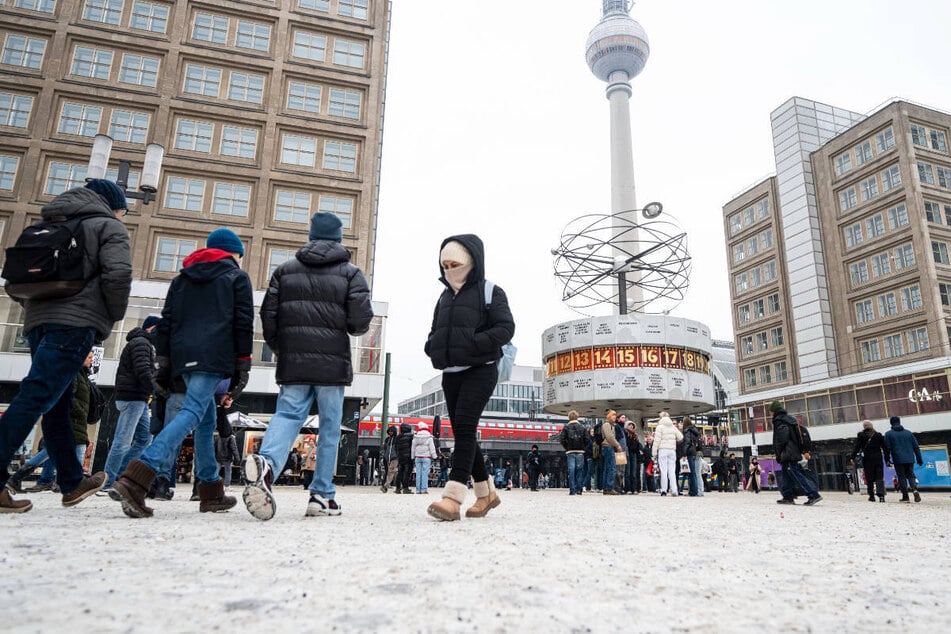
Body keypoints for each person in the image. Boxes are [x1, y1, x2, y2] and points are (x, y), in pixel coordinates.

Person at [0, 179, 131, 513]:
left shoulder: (47, 225)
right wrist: (109, 317)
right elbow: (118, 275)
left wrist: (38, 306)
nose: (122, 217)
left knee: (56, 401)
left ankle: (72, 483)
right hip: (76, 323)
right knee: (37, 395)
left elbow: (14, 280)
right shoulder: (108, 227)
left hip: (37, 323)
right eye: (122, 210)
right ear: (110, 205)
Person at [111, 228, 253, 518]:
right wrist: (243, 363)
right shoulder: (236, 277)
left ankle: (210, 490)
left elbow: (167, 321)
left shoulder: (182, 278)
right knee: (192, 412)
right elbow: (243, 321)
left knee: (205, 420)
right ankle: (137, 477)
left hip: (182, 357)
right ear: (234, 252)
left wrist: (164, 361)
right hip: (213, 355)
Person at [242, 212, 373, 520]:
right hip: (332, 364)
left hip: (294, 360)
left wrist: (283, 349)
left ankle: (268, 464)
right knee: (329, 428)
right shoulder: (351, 274)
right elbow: (359, 323)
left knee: (287, 414)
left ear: (311, 236)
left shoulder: (284, 271)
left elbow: (268, 318)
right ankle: (322, 495)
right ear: (340, 238)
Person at [423, 235, 515, 521]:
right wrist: (432, 346)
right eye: (445, 264)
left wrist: (474, 344)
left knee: (463, 428)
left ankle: (453, 498)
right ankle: (487, 495)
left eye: (455, 263)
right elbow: (435, 329)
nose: (449, 269)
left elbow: (505, 328)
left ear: (471, 262)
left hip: (481, 369)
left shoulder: (490, 291)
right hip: (451, 373)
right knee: (465, 431)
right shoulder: (444, 296)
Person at [6, 351, 96, 494]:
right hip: (71, 419)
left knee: (56, 450)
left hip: (76, 420)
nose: (91, 360)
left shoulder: (82, 374)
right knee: (73, 449)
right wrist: (79, 411)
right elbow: (69, 396)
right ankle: (74, 485)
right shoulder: (74, 374)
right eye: (89, 357)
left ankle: (18, 477)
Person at [101, 315, 158, 493]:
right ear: (151, 328)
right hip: (132, 397)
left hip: (138, 397)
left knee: (144, 438)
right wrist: (157, 389)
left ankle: (120, 474)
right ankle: (108, 481)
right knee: (122, 441)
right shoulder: (141, 343)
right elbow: (143, 370)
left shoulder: (145, 343)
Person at [770, 401, 822, 505]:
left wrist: (778, 452)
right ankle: (788, 496)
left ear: (774, 411)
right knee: (786, 474)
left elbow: (782, 438)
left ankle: (813, 494)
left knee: (795, 473)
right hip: (793, 450)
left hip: (788, 452)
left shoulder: (780, 421)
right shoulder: (790, 419)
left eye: (771, 411)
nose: (770, 413)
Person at [884, 416, 923, 503]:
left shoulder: (888, 434)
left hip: (898, 459)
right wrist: (919, 458)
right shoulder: (908, 433)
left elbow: (887, 448)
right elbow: (916, 446)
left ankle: (905, 496)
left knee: (901, 477)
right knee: (910, 475)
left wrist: (887, 459)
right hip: (910, 458)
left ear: (891, 423)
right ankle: (914, 489)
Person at [853, 420, 890, 502]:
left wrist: (853, 457)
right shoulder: (878, 435)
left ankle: (872, 496)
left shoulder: (861, 435)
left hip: (867, 459)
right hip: (878, 458)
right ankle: (881, 496)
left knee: (869, 477)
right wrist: (887, 459)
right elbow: (885, 448)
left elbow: (857, 447)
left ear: (864, 427)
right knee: (879, 477)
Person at [652, 412, 683, 496]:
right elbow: (680, 437)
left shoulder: (660, 427)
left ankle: (664, 490)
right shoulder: (672, 426)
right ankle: (674, 490)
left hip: (663, 450)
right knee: (672, 471)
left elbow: (657, 441)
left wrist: (654, 452)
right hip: (672, 450)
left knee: (663, 470)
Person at [559, 410, 586, 495]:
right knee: (580, 471)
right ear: (577, 417)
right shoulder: (582, 427)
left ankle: (572, 490)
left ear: (569, 417)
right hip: (580, 451)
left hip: (570, 451)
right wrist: (583, 447)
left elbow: (561, 439)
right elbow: (587, 439)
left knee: (571, 471)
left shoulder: (566, 427)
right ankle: (579, 489)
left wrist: (566, 447)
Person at [412, 422, 438, 494]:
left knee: (418, 474)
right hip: (426, 457)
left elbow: (413, 448)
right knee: (424, 474)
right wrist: (435, 456)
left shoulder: (416, 437)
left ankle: (418, 490)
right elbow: (432, 448)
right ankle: (423, 490)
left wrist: (412, 456)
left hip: (418, 457)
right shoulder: (429, 438)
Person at [600, 411, 622, 495]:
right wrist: (617, 445)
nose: (614, 417)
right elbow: (609, 437)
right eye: (613, 415)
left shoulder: (612, 425)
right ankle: (609, 487)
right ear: (609, 417)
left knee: (607, 468)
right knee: (611, 468)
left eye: (615, 415)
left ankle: (606, 488)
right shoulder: (606, 425)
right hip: (608, 447)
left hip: (608, 447)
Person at [681, 417, 702, 496]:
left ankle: (693, 491)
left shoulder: (687, 431)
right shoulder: (694, 430)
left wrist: (684, 453)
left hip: (689, 452)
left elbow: (687, 442)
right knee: (693, 473)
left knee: (691, 473)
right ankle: (694, 491)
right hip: (694, 452)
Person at [395, 422, 415, 494]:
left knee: (400, 472)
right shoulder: (411, 436)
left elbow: (395, 447)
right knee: (407, 473)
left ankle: (397, 488)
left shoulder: (398, 437)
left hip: (400, 457)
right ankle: (405, 488)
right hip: (408, 457)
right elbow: (413, 446)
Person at [380, 425, 399, 493]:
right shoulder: (387, 439)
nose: (390, 432)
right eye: (389, 431)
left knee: (390, 471)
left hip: (394, 458)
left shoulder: (396, 439)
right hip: (388, 458)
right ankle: (399, 485)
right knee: (393, 472)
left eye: (392, 431)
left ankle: (386, 486)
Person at [624, 421, 641, 494]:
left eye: (632, 425)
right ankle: (628, 489)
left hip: (634, 454)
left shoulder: (635, 436)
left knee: (633, 473)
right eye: (629, 425)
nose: (631, 426)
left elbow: (637, 447)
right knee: (627, 472)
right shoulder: (625, 434)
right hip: (627, 454)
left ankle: (634, 489)